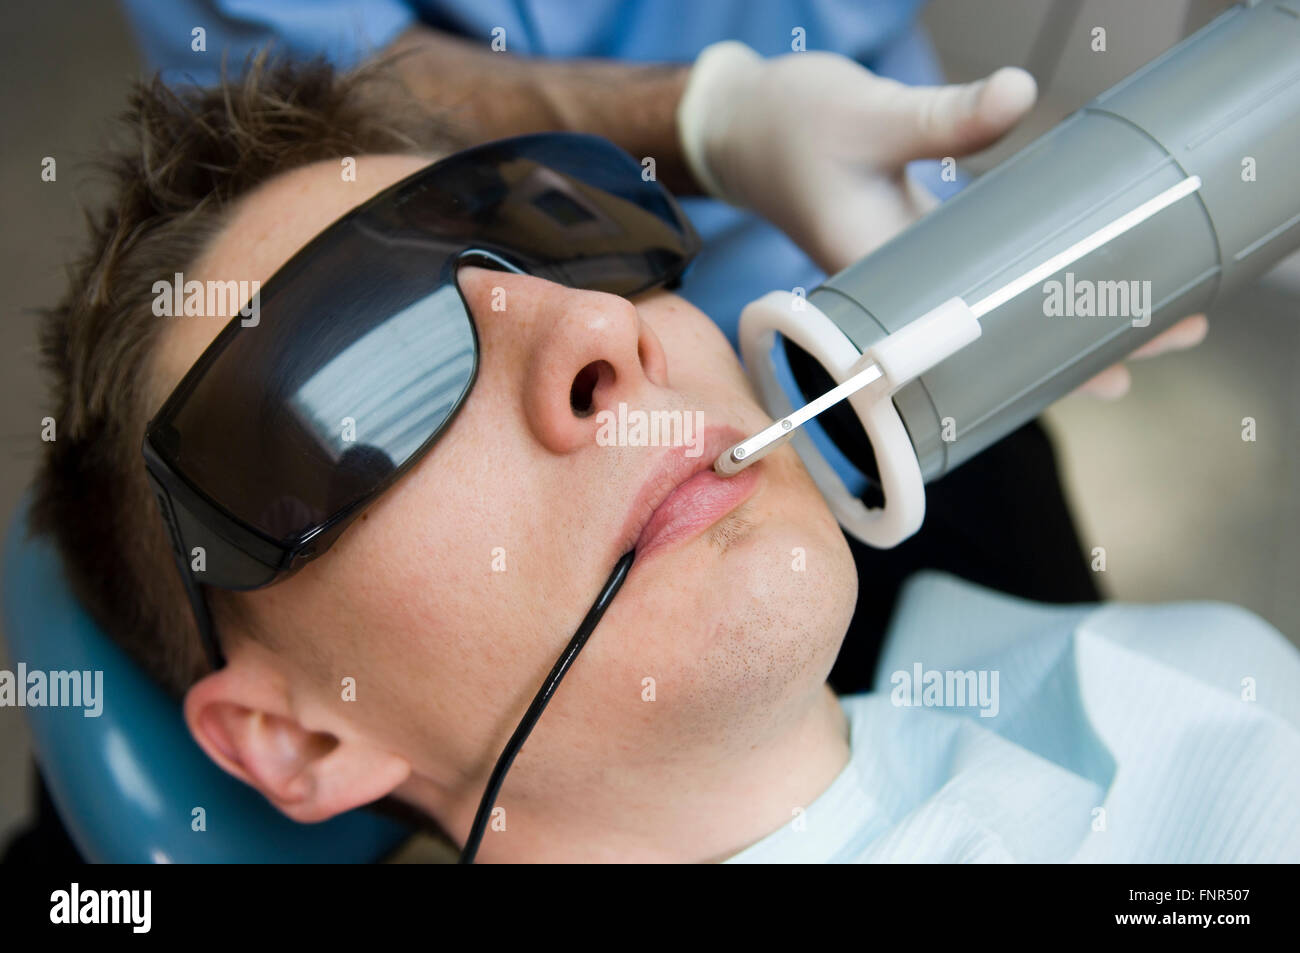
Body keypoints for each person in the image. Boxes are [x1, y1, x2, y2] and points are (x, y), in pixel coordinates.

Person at [30, 57, 1299, 862]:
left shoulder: (1197, 693)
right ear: (299, 743)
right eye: (360, 380)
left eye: (567, 241)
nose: (599, 330)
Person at [114, 0, 1208, 692]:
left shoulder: (1172, 711)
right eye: (382, 396)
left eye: (550, 262)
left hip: (864, 243)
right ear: (296, 737)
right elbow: (327, 68)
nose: (603, 326)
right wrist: (708, 121)